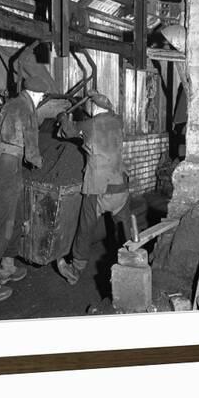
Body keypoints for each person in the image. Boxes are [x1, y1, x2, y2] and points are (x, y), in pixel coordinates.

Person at [0, 76, 48, 302]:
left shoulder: (10, 104)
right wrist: (39, 163)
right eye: (42, 98)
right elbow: (32, 151)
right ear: (37, 96)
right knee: (2, 227)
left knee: (16, 219)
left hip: (6, 163)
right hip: (8, 166)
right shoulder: (26, 109)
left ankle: (7, 267)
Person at [56, 90, 132, 285]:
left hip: (98, 188)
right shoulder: (118, 121)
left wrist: (64, 117)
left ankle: (75, 270)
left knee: (85, 229)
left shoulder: (90, 124)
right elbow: (111, 111)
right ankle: (131, 265)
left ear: (93, 107)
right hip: (120, 187)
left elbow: (67, 131)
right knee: (124, 230)